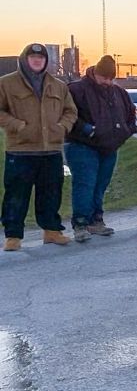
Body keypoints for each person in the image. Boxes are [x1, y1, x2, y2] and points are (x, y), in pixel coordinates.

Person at [0, 43, 78, 251]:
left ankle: (52, 231)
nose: (37, 61)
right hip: (21, 150)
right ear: (25, 60)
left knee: (51, 193)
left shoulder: (58, 85)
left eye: (41, 58)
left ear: (46, 61)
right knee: (16, 195)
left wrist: (62, 127)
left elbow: (71, 111)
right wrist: (17, 126)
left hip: (51, 150)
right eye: (33, 58)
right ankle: (13, 236)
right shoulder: (7, 83)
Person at [64, 55, 136, 242]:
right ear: (95, 73)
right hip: (82, 146)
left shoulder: (119, 93)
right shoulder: (76, 90)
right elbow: (65, 115)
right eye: (104, 78)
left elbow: (130, 114)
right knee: (84, 184)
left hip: (109, 147)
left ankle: (96, 220)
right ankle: (80, 223)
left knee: (100, 186)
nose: (107, 82)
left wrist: (125, 132)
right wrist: (86, 130)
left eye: (111, 79)